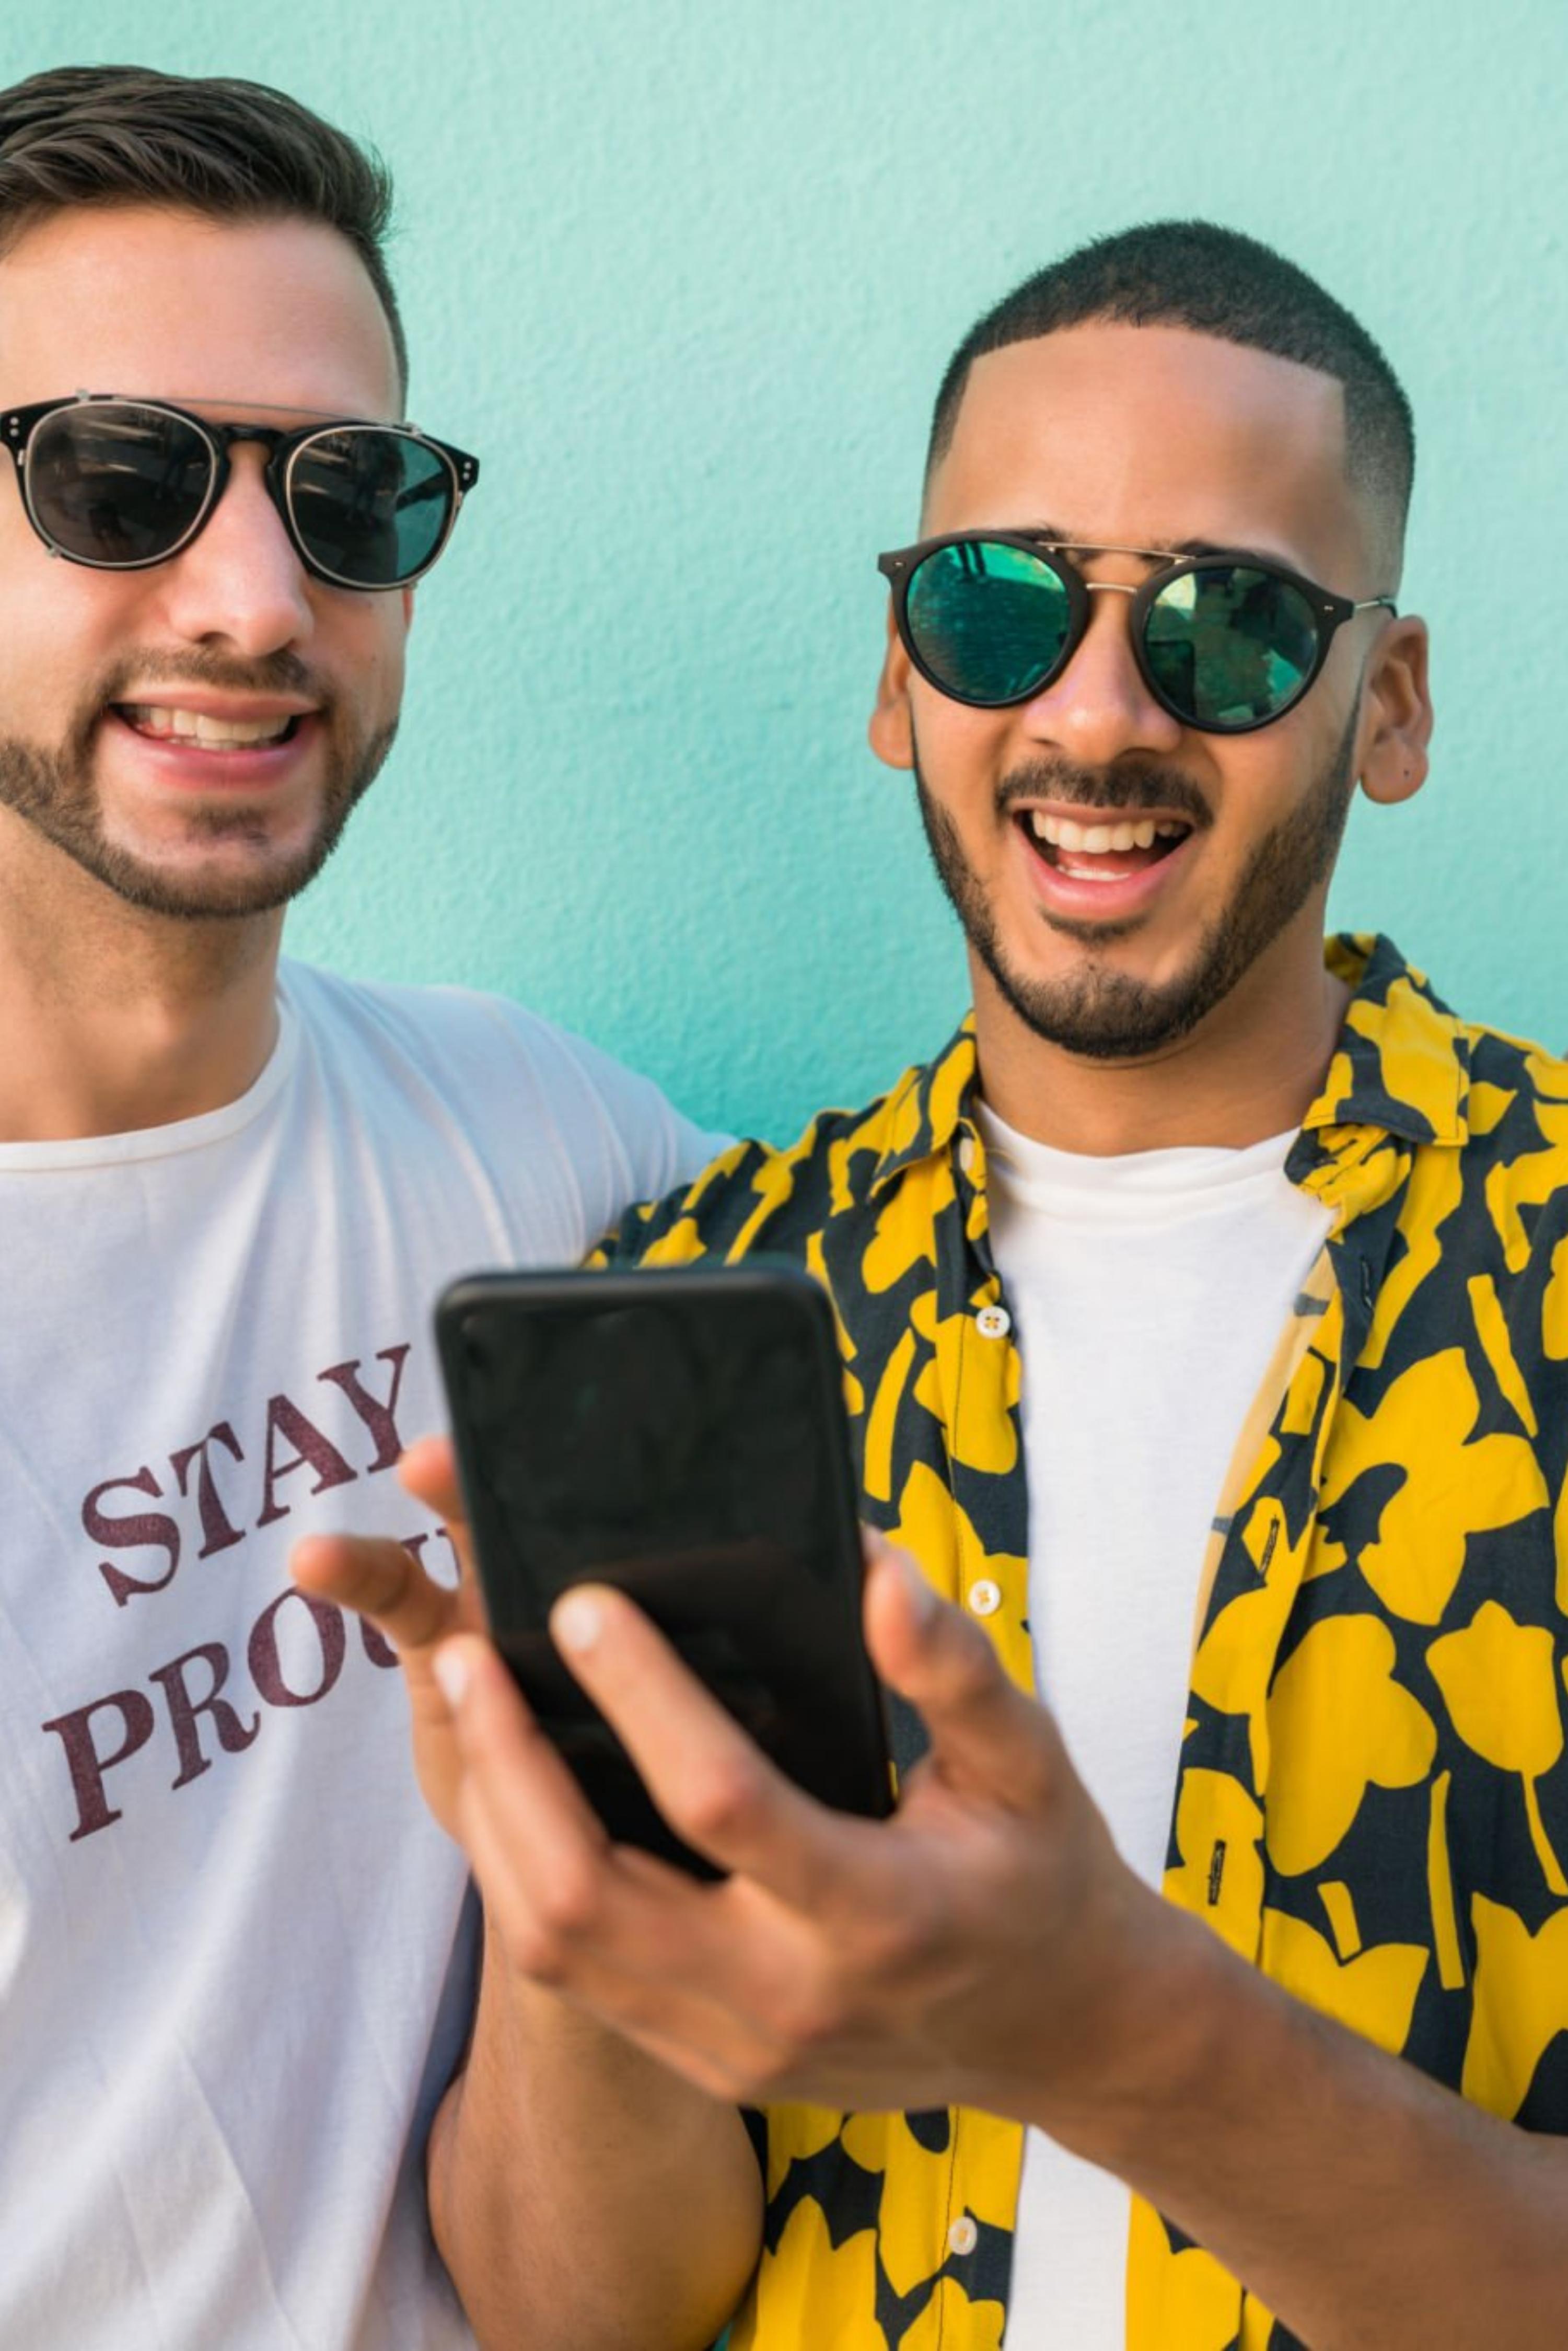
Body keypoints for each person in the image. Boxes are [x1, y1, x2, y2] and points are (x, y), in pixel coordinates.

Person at [309, 220, 1568, 2351]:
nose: (1095, 711)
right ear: (901, 679)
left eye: (1230, 624)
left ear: (1391, 703)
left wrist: (1111, 2025)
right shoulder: (698, 1299)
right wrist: (572, 1879)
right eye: (998, 606)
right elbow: (578, 2315)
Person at [0, 63, 717, 2351]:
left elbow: (616, 2296)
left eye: (346, 495)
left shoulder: (564, 1173)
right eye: (114, 480)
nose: (253, 598)